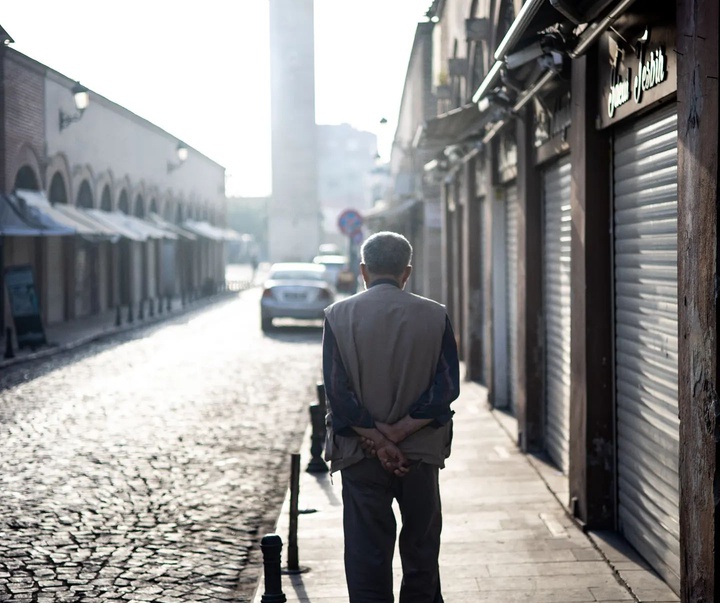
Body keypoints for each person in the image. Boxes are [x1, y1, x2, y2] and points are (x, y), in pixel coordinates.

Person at [322, 231, 460, 603]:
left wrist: (379, 440)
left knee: (367, 554)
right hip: (420, 455)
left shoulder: (338, 316)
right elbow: (446, 387)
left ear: (363, 270)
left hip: (359, 455)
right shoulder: (435, 314)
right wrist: (401, 433)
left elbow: (338, 394)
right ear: (407, 271)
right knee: (421, 550)